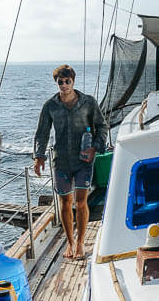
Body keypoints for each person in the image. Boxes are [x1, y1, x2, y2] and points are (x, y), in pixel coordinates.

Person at [32, 65, 108, 260]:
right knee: (65, 203)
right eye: (60, 82)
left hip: (84, 160)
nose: (64, 85)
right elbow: (42, 133)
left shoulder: (88, 102)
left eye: (68, 81)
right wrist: (38, 157)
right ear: (56, 82)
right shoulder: (50, 106)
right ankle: (70, 242)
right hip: (62, 161)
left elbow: (101, 126)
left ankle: (81, 242)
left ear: (73, 81)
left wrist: (95, 148)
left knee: (81, 202)